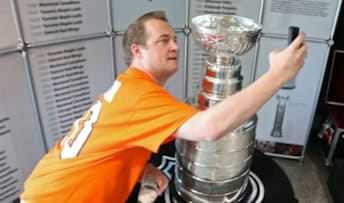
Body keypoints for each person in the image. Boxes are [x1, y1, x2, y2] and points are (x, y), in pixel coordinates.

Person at [20, 10, 307, 203]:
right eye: (163, 40)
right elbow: (210, 128)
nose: (175, 46)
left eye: (174, 39)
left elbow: (104, 143)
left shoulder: (128, 88)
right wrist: (278, 75)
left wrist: (141, 167)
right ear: (137, 50)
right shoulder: (140, 96)